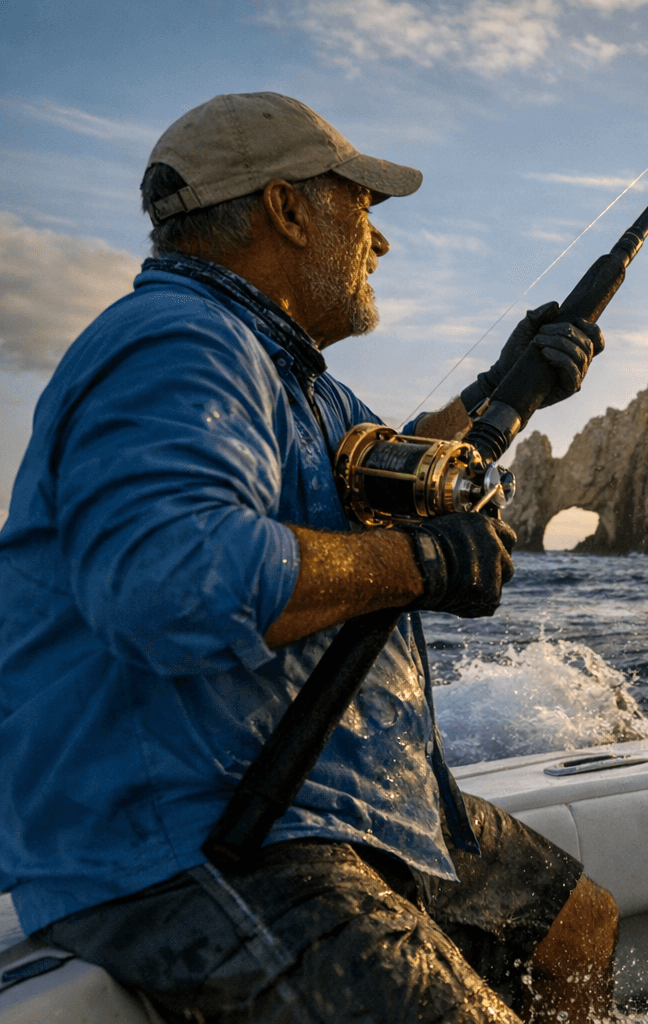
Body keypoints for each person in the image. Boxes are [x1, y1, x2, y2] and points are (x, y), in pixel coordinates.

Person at [0, 92, 616, 1022]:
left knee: (576, 923)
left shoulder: (291, 376)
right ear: (288, 209)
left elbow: (398, 475)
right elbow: (171, 576)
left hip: (338, 797)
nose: (379, 242)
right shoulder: (177, 343)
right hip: (201, 836)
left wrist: (509, 388)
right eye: (360, 208)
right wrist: (421, 566)